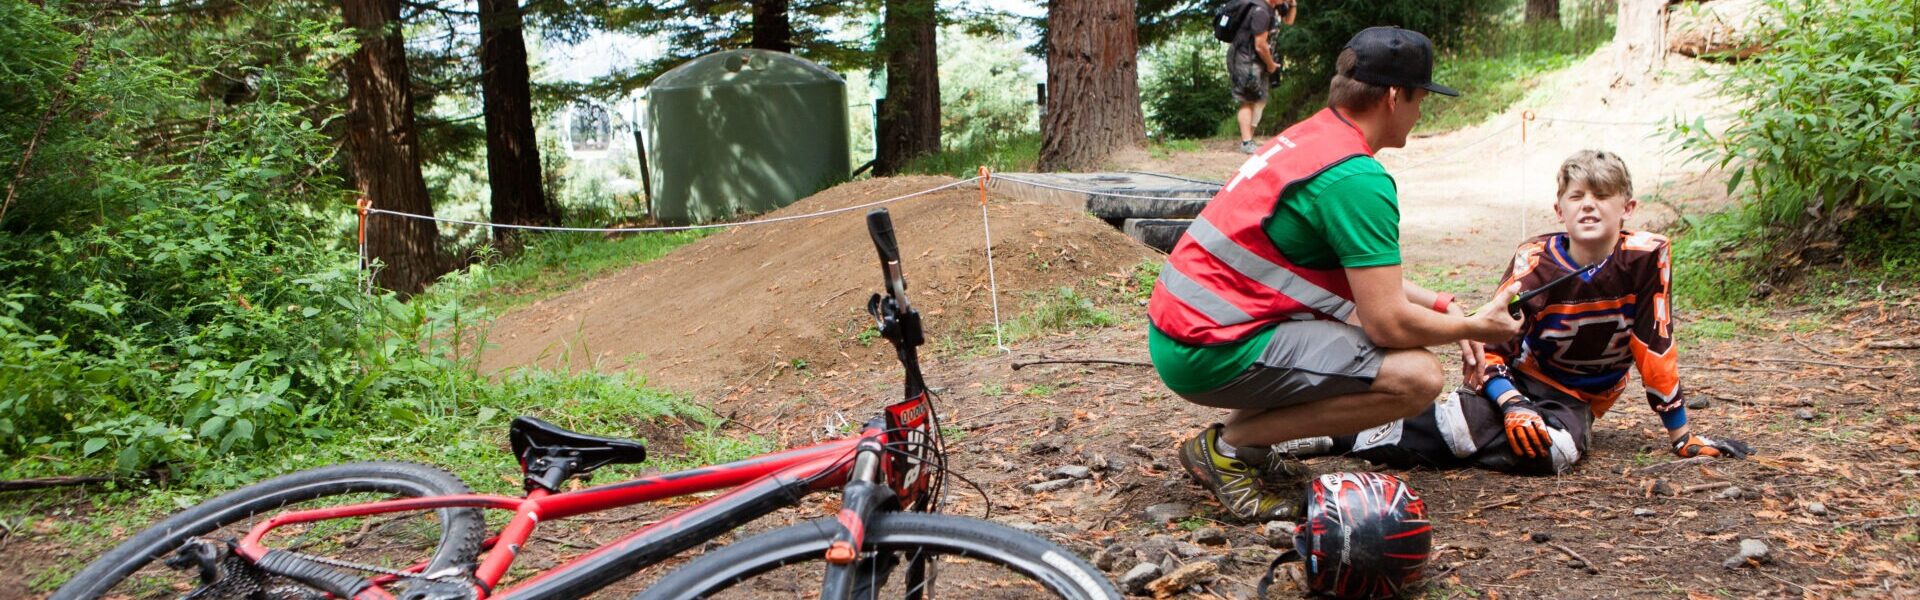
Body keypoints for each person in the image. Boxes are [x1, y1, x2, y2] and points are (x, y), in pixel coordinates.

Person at [1148, 26, 1523, 522]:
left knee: (1378, 352)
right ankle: (1229, 448)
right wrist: (1477, 327)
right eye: (1421, 98)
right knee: (1416, 377)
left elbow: (1359, 276)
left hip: (1191, 331)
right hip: (1210, 347)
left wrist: (1440, 305)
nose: (1422, 111)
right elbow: (1386, 323)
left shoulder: (1314, 137)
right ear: (1394, 96)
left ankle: (1245, 448)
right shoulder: (1356, 178)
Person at [1284, 150, 1755, 475]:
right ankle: (1336, 435)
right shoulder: (1535, 261)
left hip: (1577, 399)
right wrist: (1511, 404)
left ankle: (1445, 439)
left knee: (1554, 453)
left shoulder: (1649, 256)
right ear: (1559, 209)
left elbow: (1655, 344)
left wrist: (1681, 435)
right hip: (1515, 381)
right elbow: (1491, 343)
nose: (1589, 205)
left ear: (1627, 207)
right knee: (1459, 425)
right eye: (1577, 196)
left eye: (1603, 195)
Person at [1229, 0, 1296, 154]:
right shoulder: (1261, 11)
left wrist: (1293, 4)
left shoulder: (1275, 8)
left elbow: (1289, 21)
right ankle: (1246, 142)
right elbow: (1260, 45)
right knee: (1248, 98)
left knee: (1260, 100)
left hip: (1259, 59)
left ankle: (1249, 139)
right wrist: (1271, 65)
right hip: (1245, 58)